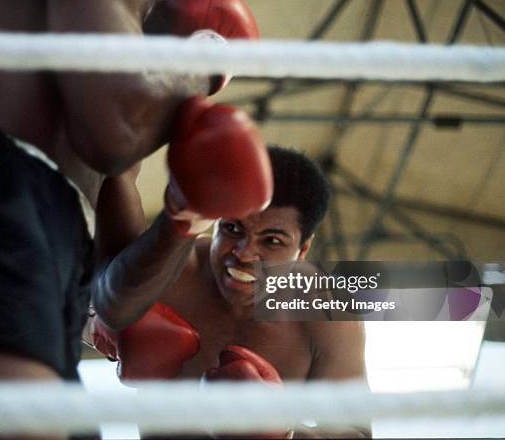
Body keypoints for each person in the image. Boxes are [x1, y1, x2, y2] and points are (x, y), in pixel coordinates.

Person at [0, 0, 265, 388]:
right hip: (1, 189)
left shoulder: (139, 74)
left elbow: (113, 302)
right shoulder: (125, 80)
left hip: (57, 248)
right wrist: (209, 58)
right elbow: (115, 134)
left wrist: (183, 220)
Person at [88, 146, 370, 438]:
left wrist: (280, 429)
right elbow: (66, 299)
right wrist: (96, 324)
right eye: (233, 228)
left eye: (271, 241)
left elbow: (357, 433)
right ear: (216, 223)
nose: (244, 253)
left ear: (303, 251)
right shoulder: (168, 272)